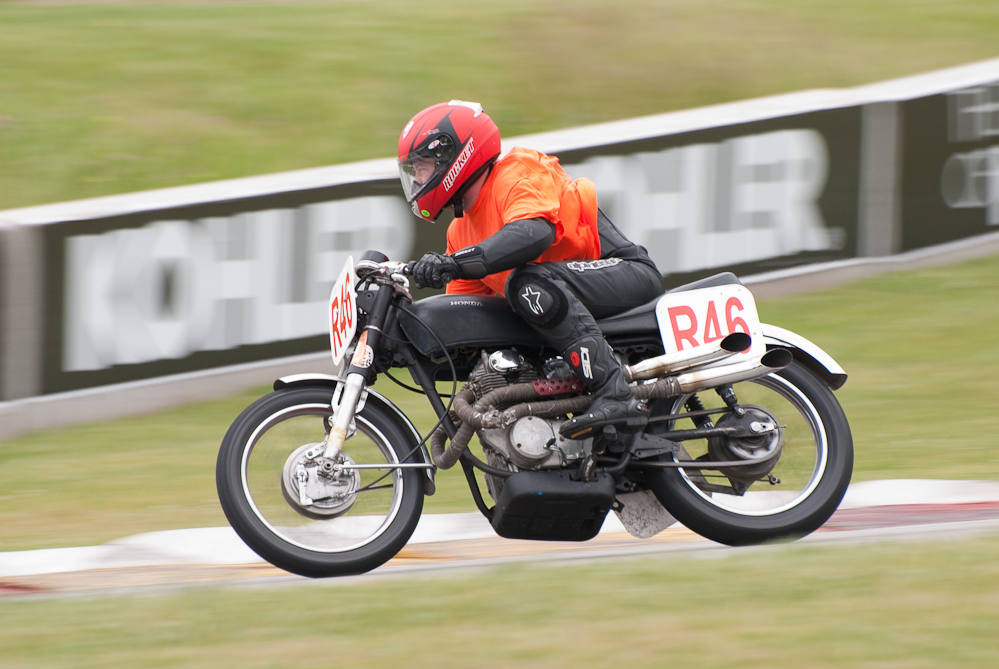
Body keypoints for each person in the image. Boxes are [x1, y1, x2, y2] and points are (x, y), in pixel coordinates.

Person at [398, 100, 663, 440]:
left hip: (627, 274)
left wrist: (452, 264)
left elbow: (533, 233)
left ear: (455, 157)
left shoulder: (516, 170)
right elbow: (467, 318)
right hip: (568, 296)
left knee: (527, 282)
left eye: (422, 167)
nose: (418, 179)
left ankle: (615, 393)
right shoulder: (459, 232)